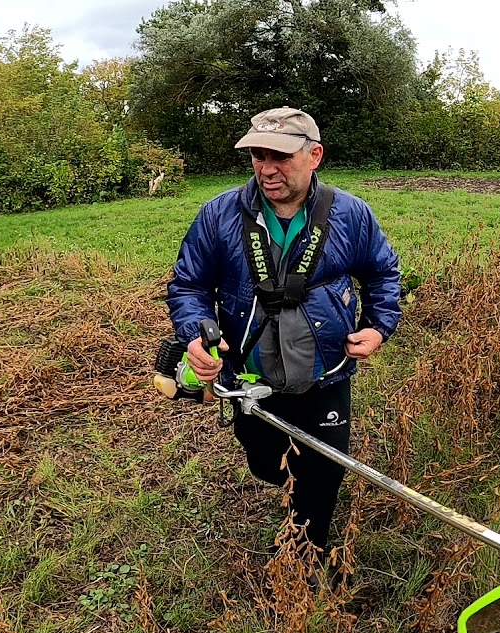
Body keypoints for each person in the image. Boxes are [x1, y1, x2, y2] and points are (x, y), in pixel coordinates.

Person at [165, 106, 402, 554]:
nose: (267, 169)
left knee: (323, 470)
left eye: (280, 157)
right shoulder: (219, 214)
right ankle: (285, 479)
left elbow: (383, 275)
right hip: (248, 378)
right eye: (257, 155)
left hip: (326, 373)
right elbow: (188, 285)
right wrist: (196, 334)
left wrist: (378, 326)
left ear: (315, 155)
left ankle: (302, 558)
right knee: (270, 466)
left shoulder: (351, 214)